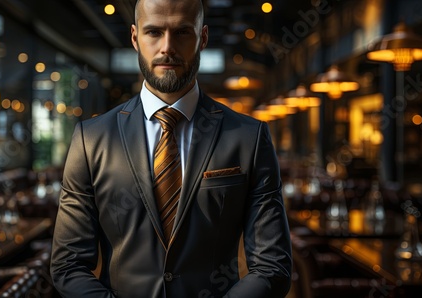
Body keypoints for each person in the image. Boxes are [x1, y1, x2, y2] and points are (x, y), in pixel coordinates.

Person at [49, 0, 292, 297]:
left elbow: (272, 267)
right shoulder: (91, 139)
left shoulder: (249, 137)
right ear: (135, 38)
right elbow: (68, 265)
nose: (167, 47)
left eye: (182, 33)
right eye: (154, 32)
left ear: (202, 38)